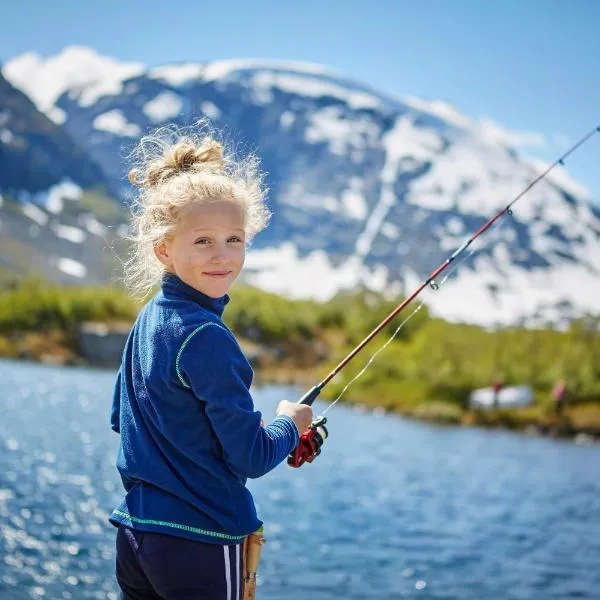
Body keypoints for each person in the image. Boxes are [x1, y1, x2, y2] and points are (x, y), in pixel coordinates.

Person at [109, 124, 313, 599]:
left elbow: (121, 419)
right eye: (203, 241)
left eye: (234, 240)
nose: (222, 256)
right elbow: (252, 456)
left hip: (137, 534)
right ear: (164, 249)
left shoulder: (148, 320)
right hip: (200, 541)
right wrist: (289, 424)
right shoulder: (207, 336)